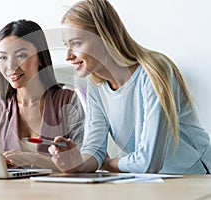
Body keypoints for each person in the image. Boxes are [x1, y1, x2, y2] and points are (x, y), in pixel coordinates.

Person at [48, 0, 211, 174]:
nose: (68, 55)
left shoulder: (154, 71)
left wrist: (108, 164)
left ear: (104, 36)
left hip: (197, 177)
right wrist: (75, 163)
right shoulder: (96, 86)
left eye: (77, 43)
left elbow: (148, 162)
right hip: (153, 182)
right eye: (67, 45)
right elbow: (95, 150)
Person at [0, 19, 85, 170]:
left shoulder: (67, 101)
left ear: (40, 57)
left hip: (59, 192)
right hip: (6, 192)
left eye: (21, 55)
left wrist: (34, 159)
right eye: (3, 57)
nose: (11, 66)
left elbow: (85, 160)